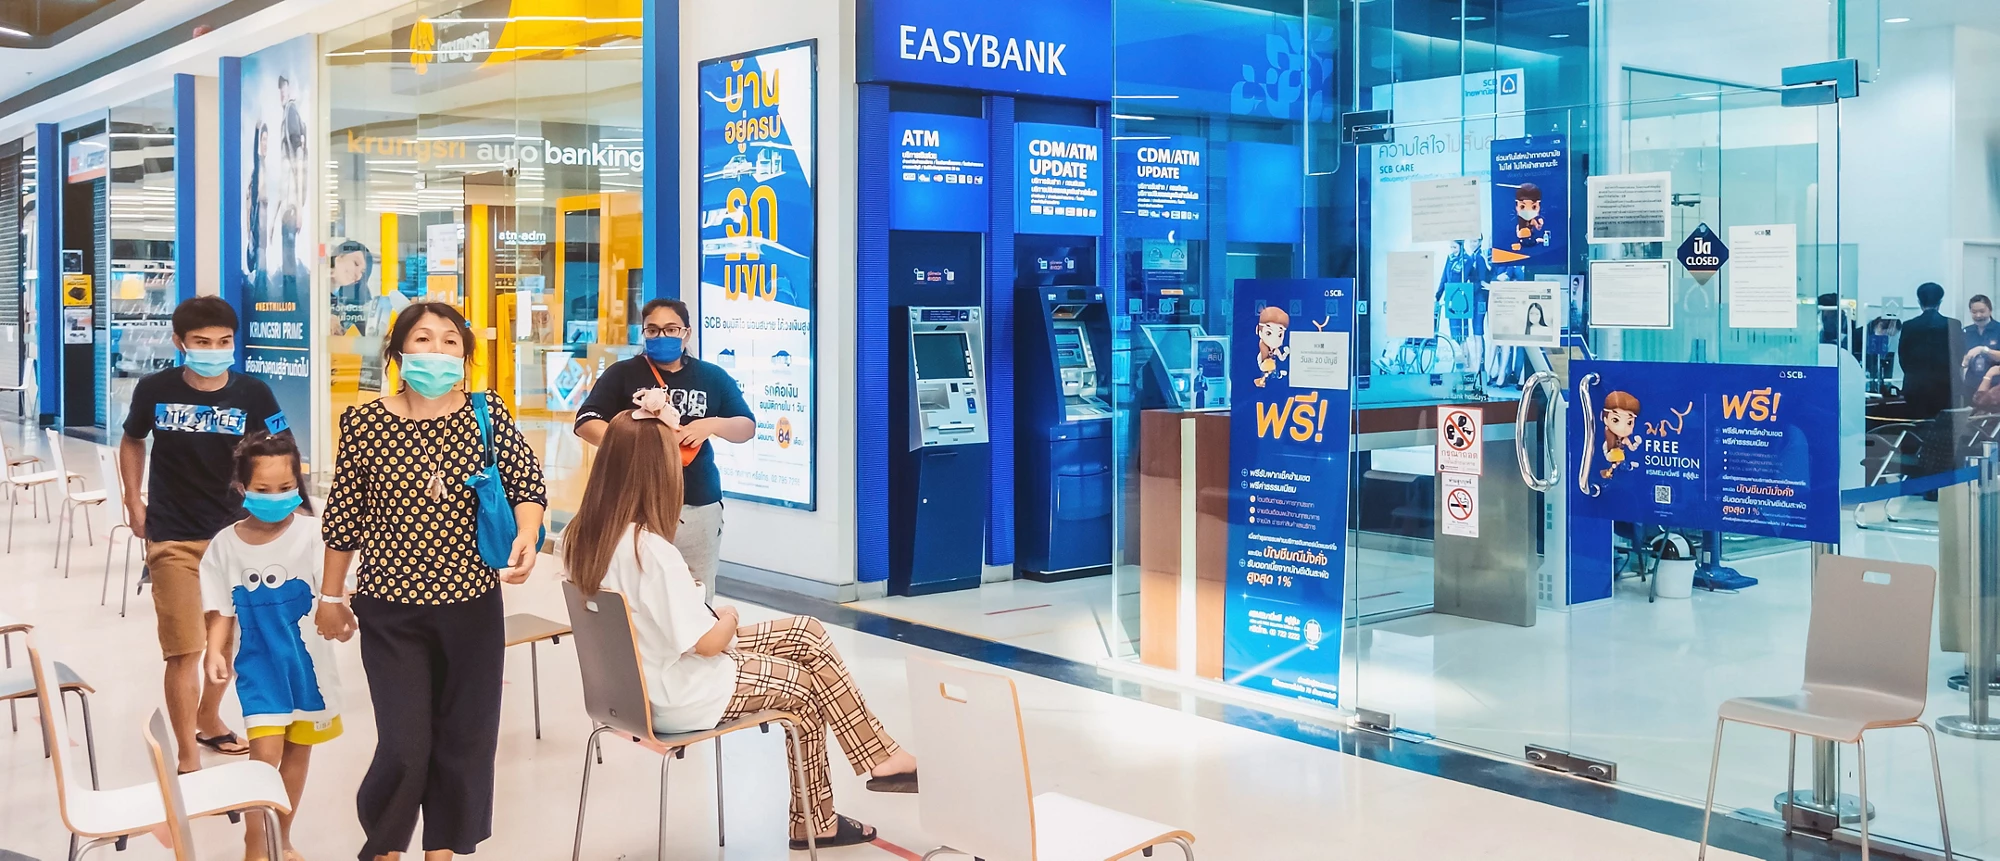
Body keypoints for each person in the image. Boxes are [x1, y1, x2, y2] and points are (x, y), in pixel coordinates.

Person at [562, 410, 919, 849]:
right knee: (804, 690)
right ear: (656, 475)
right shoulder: (650, 551)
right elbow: (711, 644)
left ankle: (878, 754)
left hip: (637, 682)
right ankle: (815, 820)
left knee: (805, 632)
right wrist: (727, 615)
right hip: (680, 691)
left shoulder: (582, 537)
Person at [314, 302, 547, 861]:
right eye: (423, 340)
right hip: (390, 611)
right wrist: (329, 595)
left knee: (466, 739)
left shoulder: (486, 413)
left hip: (471, 608)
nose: (437, 352)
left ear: (465, 357)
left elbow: (526, 484)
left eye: (450, 342)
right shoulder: (364, 423)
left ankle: (442, 849)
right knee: (404, 743)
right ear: (398, 352)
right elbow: (344, 517)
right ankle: (386, 845)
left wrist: (527, 535)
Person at [121, 296, 284, 772]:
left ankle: (209, 719)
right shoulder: (155, 389)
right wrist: (134, 498)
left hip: (237, 537)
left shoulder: (254, 394)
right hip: (173, 535)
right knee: (184, 649)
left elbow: (280, 449)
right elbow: (133, 439)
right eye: (202, 342)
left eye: (223, 341)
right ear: (180, 343)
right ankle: (187, 756)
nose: (214, 349)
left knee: (225, 643)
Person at [201, 431, 340, 861]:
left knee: (298, 756)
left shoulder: (316, 534)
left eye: (286, 488)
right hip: (260, 670)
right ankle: (255, 846)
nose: (277, 497)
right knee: (264, 761)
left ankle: (283, 837)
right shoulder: (226, 544)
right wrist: (213, 649)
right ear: (242, 488)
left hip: (309, 670)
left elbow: (335, 593)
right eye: (264, 490)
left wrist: (344, 613)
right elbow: (221, 606)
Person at [574, 298, 754, 599]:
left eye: (671, 329)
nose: (661, 337)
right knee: (639, 592)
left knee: (697, 591)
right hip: (634, 504)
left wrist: (711, 425)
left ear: (687, 333)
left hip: (697, 501)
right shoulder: (622, 374)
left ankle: (701, 646)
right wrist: (631, 441)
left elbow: (745, 426)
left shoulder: (712, 377)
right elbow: (586, 421)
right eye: (652, 330)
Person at [1898, 282, 1966, 420]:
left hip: (1916, 387)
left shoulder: (1909, 326)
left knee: (1917, 429)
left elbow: (1903, 357)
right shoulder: (1953, 324)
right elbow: (1959, 355)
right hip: (1947, 387)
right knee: (1944, 431)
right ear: (1940, 301)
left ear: (1919, 301)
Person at [1963, 294, 2000, 389]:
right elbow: (1959, 357)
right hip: (1971, 384)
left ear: (1990, 310)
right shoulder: (1966, 331)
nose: (1978, 315)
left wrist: (1984, 350)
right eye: (1974, 312)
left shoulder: (1998, 329)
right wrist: (1964, 361)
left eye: (1982, 311)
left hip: (1995, 385)